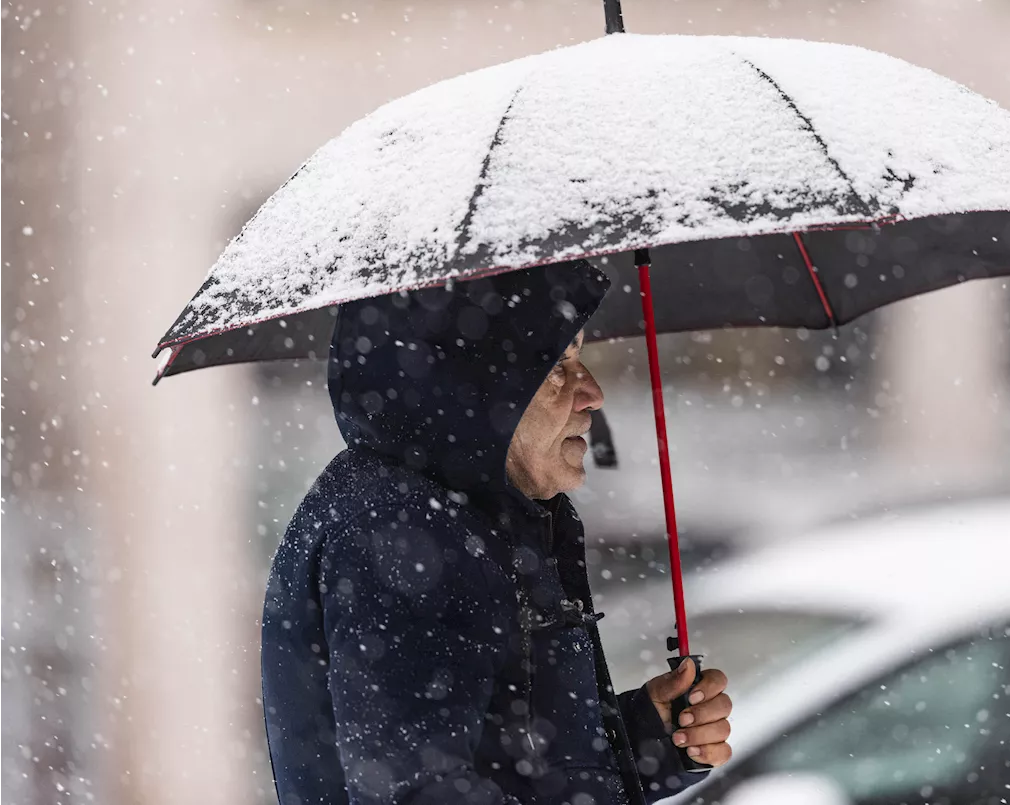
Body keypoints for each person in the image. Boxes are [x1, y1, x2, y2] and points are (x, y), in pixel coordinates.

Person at [261, 260, 732, 805]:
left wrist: (650, 740)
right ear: (476, 387)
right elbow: (422, 792)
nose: (592, 394)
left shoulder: (474, 519)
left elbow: (514, 761)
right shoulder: (403, 533)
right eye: (557, 364)